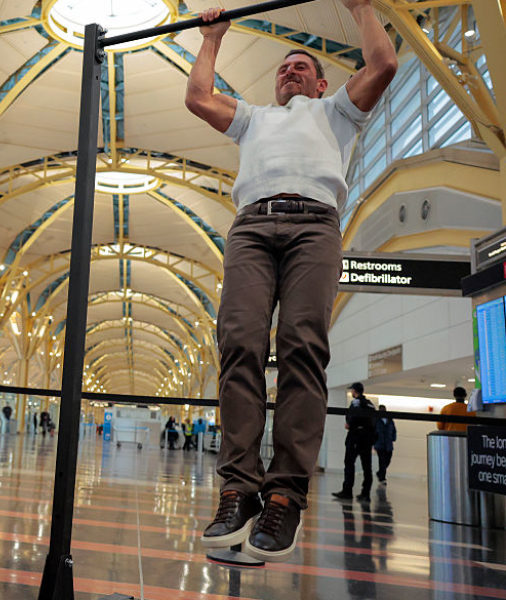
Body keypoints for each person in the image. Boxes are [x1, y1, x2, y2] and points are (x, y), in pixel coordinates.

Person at [188, 0, 396, 562]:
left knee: (302, 346)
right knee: (239, 343)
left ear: (322, 81)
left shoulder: (337, 111)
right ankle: (238, 489)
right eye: (283, 68)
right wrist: (212, 39)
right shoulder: (254, 118)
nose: (289, 71)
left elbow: (383, 65)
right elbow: (199, 97)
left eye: (301, 66)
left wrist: (361, 7)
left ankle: (284, 495)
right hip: (251, 226)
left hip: (315, 225)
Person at [333, 383, 378, 501]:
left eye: (352, 390)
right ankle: (365, 493)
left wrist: (350, 424)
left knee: (349, 463)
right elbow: (374, 420)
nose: (351, 392)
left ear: (355, 391)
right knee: (367, 466)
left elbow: (353, 417)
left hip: (356, 437)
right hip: (367, 439)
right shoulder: (370, 404)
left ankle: (347, 491)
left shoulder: (356, 403)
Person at [374, 405, 396, 484]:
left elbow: (394, 430)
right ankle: (382, 478)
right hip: (379, 444)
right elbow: (373, 431)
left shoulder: (390, 420)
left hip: (388, 444)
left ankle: (380, 473)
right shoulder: (376, 420)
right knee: (382, 461)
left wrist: (393, 438)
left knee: (388, 460)